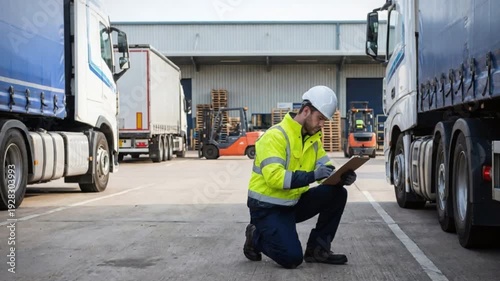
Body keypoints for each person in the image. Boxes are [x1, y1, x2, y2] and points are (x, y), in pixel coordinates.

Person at [243, 85, 357, 269]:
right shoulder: (275, 136)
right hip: (267, 209)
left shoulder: (313, 139)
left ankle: (317, 250)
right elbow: (275, 178)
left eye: (324, 121)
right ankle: (255, 236)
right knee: (292, 258)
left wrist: (341, 177)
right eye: (320, 118)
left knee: (337, 193)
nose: (322, 124)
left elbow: (325, 168)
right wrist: (313, 175)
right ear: (306, 111)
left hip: (292, 203)